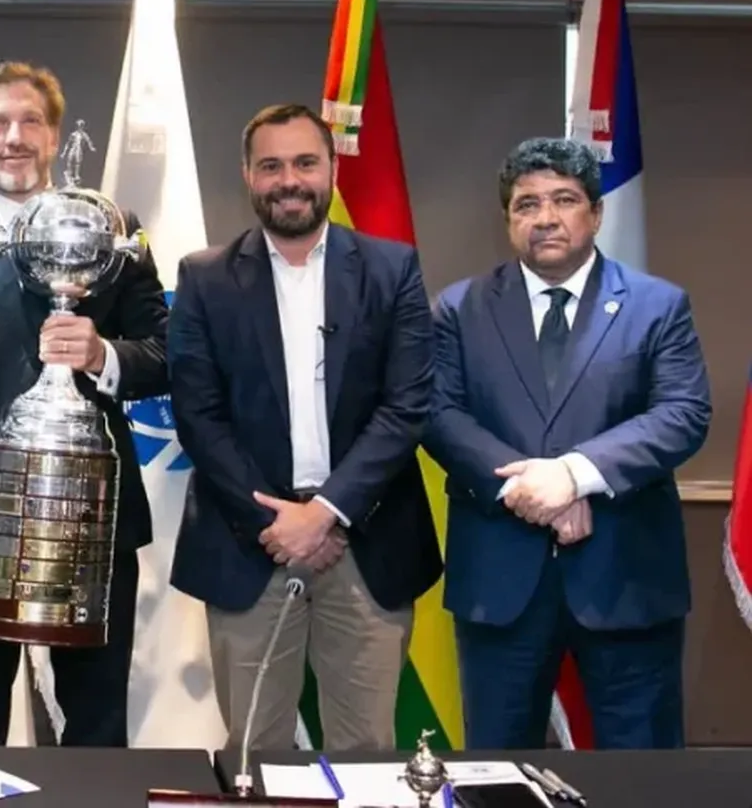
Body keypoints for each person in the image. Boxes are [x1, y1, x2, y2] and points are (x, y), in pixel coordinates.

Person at [0, 60, 169, 746]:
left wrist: (103, 354)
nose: (14, 137)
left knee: (97, 724)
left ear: (53, 137)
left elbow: (169, 356)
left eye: (30, 121)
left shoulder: (111, 227)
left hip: (92, 519)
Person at [167, 102, 442, 752]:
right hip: (248, 544)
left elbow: (407, 405)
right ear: (248, 175)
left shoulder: (390, 269)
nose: (288, 179)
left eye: (304, 162)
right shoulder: (204, 278)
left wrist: (326, 513)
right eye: (271, 165)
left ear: (331, 168)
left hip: (365, 541)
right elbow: (198, 417)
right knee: (255, 753)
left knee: (366, 750)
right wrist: (278, 523)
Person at [425, 136, 710, 750]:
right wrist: (532, 489)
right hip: (501, 580)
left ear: (596, 213)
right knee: (496, 770)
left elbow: (683, 413)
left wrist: (576, 475)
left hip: (627, 579)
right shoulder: (459, 308)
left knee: (643, 776)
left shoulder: (658, 307)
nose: (545, 217)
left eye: (564, 200)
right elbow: (438, 413)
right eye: (526, 204)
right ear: (507, 221)